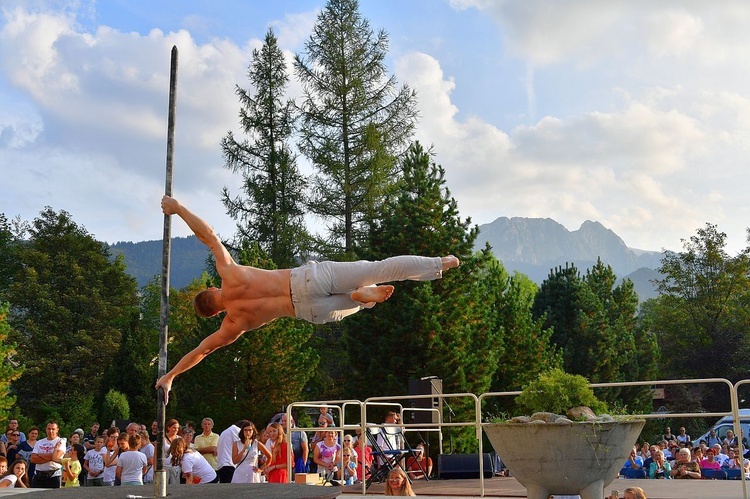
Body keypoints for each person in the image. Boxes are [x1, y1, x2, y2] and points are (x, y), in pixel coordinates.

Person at [154, 196, 460, 404]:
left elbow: (202, 351)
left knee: (356, 305)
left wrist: (170, 376)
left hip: (306, 309)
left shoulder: (233, 323)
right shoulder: (230, 273)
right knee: (377, 269)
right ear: (212, 289)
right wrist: (177, 208)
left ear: (213, 314)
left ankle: (362, 300)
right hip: (305, 279)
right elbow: (209, 235)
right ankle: (438, 264)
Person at [30, 421, 65, 488]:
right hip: (38, 475)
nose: (50, 431)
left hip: (53, 475)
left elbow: (56, 457)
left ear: (57, 430)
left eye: (53, 429)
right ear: (46, 429)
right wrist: (51, 457)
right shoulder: (39, 442)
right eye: (49, 429)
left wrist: (40, 455)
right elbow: (33, 459)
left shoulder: (60, 441)